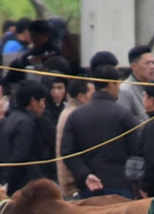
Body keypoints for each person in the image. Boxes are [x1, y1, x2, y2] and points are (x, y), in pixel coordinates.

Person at [60, 65, 141, 199]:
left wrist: (85, 174)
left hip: (88, 186)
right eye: (118, 84)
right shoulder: (124, 114)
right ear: (111, 84)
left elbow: (67, 151)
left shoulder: (76, 115)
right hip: (119, 185)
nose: (119, 89)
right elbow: (136, 149)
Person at [1, 80, 56, 193]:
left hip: (14, 179)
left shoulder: (11, 118)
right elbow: (21, 156)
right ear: (33, 101)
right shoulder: (26, 123)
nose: (44, 105)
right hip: (25, 184)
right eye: (42, 101)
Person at [55, 78, 91, 198]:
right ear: (81, 96)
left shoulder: (68, 112)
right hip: (73, 184)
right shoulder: (74, 114)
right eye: (92, 94)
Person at [118, 45, 154, 123]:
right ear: (134, 66)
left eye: (153, 62)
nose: (152, 67)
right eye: (147, 63)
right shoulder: (125, 90)